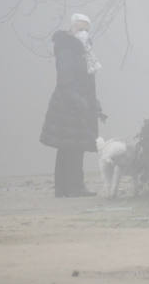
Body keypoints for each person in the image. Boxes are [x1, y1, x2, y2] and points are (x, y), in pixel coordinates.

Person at [40, 12, 105, 197]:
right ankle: (73, 187)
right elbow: (65, 79)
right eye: (80, 28)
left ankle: (64, 188)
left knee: (70, 147)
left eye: (86, 29)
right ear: (72, 28)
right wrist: (80, 101)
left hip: (77, 102)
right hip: (68, 105)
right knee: (72, 147)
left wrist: (95, 103)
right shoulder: (67, 48)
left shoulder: (82, 49)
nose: (84, 32)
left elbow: (88, 81)